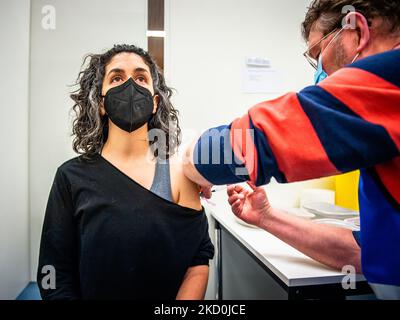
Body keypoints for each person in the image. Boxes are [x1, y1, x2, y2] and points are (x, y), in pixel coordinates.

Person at [183, 0, 400, 299]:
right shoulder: (384, 135)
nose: (318, 73)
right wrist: (265, 217)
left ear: (357, 31)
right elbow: (366, 251)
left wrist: (190, 161)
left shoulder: (390, 81)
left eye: (317, 55)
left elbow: (252, 142)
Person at [37, 44, 214, 300]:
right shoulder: (70, 177)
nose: (130, 86)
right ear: (101, 103)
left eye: (141, 78)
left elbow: (197, 258)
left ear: (154, 102)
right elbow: (54, 271)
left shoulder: (178, 174)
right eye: (117, 77)